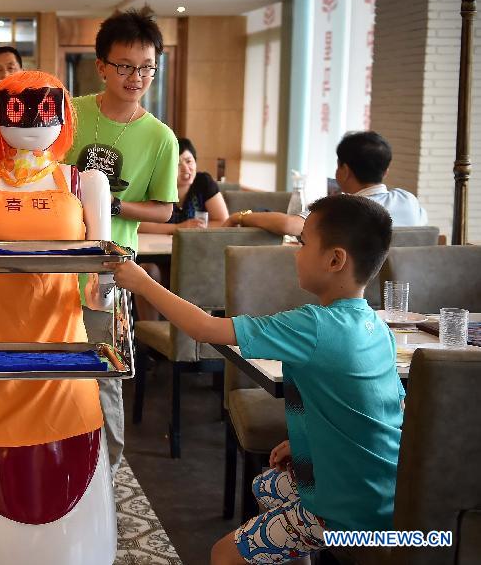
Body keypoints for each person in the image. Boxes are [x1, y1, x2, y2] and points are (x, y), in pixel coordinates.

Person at [111, 194, 404, 565]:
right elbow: (375, 407)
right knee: (265, 485)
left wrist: (142, 282)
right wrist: (302, 442)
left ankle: (311, 534)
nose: (295, 253)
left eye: (302, 244)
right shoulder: (376, 324)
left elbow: (205, 328)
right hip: (381, 489)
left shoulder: (314, 325)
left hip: (342, 508)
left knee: (223, 554)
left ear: (335, 260)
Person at [0, 70, 116, 565]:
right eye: (18, 107)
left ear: (63, 114)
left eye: (47, 107)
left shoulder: (85, 181)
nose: (35, 118)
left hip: (64, 350)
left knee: (69, 451)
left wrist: (113, 285)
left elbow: (104, 275)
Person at [64, 6, 180, 477]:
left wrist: (109, 206)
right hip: (54, 261)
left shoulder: (160, 138)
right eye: (126, 66)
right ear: (102, 66)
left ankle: (105, 473)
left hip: (108, 270)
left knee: (104, 371)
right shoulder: (69, 114)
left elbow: (164, 210)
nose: (137, 77)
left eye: (147, 67)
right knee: (46, 365)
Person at [225, 131, 428, 234]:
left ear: (344, 171)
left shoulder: (341, 206)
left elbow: (290, 225)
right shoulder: (409, 200)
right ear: (386, 171)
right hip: (404, 301)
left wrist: (241, 217)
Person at [136, 137, 229, 320]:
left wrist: (194, 229)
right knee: (147, 270)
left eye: (189, 161)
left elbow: (223, 220)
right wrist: (178, 228)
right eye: (178, 165)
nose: (186, 169)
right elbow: (139, 224)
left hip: (195, 255)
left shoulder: (203, 182)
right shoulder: (154, 186)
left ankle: (198, 329)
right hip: (159, 257)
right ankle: (149, 337)